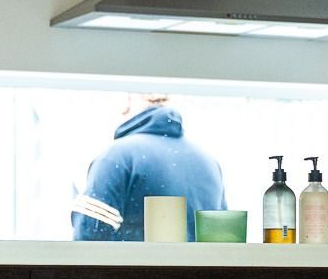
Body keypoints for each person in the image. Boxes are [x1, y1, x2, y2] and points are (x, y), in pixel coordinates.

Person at [72, 96, 226, 241]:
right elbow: (224, 240)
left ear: (128, 103)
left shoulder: (117, 155)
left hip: (137, 269)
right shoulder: (209, 162)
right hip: (199, 269)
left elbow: (89, 238)